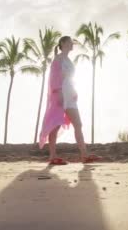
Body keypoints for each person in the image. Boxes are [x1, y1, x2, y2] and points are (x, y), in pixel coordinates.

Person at [39, 36, 100, 165]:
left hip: (70, 96)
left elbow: (70, 78)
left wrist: (74, 90)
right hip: (59, 95)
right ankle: (52, 156)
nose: (72, 44)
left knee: (78, 124)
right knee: (55, 127)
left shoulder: (68, 60)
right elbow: (54, 78)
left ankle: (84, 155)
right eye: (69, 42)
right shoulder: (58, 59)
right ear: (62, 43)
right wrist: (58, 92)